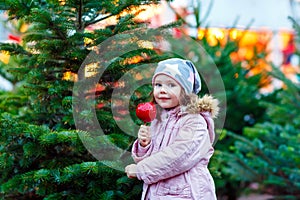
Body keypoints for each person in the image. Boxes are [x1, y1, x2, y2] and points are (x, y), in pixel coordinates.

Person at [125, 58, 219, 199]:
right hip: (159, 193)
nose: (162, 90)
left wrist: (141, 170)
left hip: (184, 194)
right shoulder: (159, 120)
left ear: (185, 91)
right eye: (158, 85)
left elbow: (178, 156)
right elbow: (155, 155)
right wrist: (145, 145)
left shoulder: (195, 121)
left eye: (171, 85)